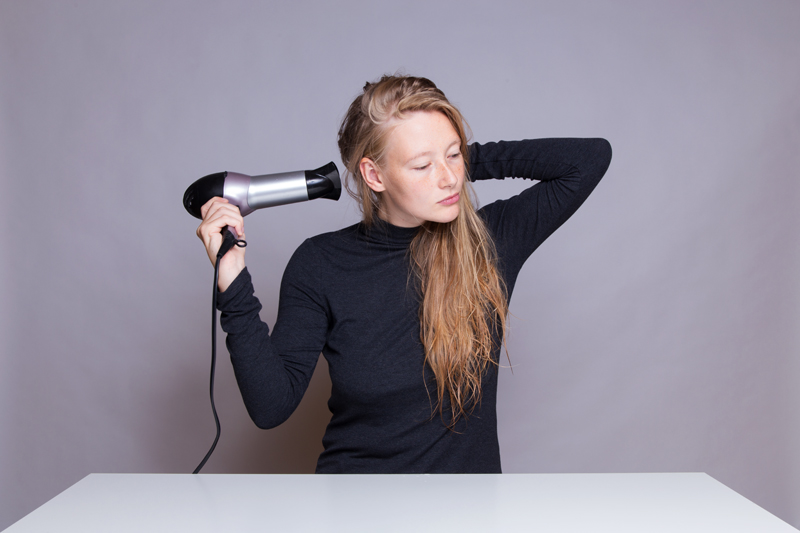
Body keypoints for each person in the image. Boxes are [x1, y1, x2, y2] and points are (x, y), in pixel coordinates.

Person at [196, 75, 612, 473]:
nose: (450, 179)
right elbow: (271, 407)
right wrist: (232, 281)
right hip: (356, 509)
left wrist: (448, 155)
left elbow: (589, 159)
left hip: (470, 515)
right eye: (421, 167)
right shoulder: (321, 265)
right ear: (374, 175)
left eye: (454, 156)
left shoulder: (489, 242)